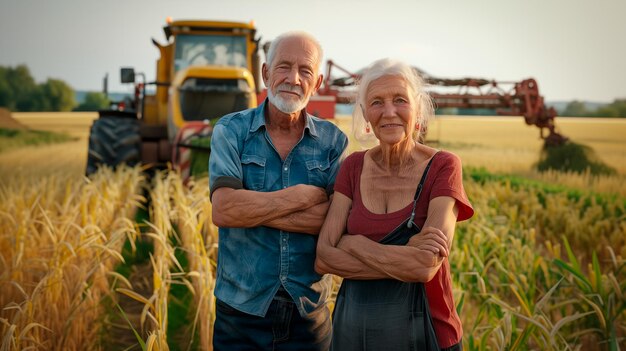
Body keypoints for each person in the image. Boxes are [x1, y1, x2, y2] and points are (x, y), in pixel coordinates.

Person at [315, 58, 473, 351]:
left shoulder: (443, 166)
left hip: (429, 334)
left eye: (400, 100)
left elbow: (425, 267)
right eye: (377, 102)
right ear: (365, 114)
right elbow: (324, 257)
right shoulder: (353, 166)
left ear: (418, 109)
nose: (389, 112)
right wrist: (405, 254)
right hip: (354, 334)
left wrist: (354, 245)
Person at [209, 31, 348, 350]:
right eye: (283, 66)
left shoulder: (333, 142)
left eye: (305, 70)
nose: (293, 78)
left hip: (308, 314)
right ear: (265, 73)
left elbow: (337, 223)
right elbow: (225, 210)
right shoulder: (231, 131)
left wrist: (252, 210)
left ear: (318, 82)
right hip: (240, 312)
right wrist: (302, 197)